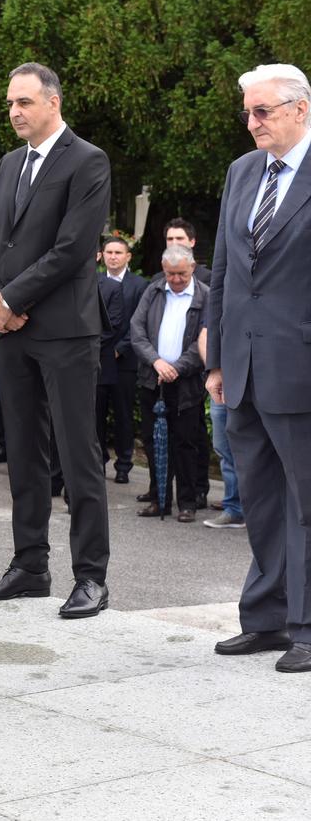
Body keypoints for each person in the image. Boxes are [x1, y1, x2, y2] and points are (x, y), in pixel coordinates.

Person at [0, 62, 113, 618]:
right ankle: (29, 565)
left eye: (24, 102)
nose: (14, 112)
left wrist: (12, 300)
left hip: (64, 333)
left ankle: (92, 577)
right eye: (10, 103)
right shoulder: (9, 164)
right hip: (12, 333)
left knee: (78, 455)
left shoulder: (87, 160)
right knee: (24, 452)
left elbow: (73, 247)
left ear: (52, 102)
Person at [207, 63, 311, 672]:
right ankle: (267, 619)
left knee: (305, 504)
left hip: (298, 366)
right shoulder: (242, 173)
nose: (252, 123)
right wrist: (217, 358)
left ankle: (306, 626)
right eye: (247, 112)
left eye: (263, 111)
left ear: (300, 109)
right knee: (264, 502)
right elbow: (223, 271)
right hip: (242, 369)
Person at [129, 244, 209, 523]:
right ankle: (158, 498)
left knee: (185, 443)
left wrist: (176, 367)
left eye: (181, 275)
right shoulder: (154, 291)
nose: (175, 280)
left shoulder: (205, 295)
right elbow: (137, 331)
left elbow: (205, 339)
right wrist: (156, 362)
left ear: (192, 269)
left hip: (186, 383)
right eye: (170, 274)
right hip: (153, 379)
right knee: (153, 441)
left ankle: (187, 502)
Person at [97, 234, 147, 484]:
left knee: (123, 415)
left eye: (118, 253)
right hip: (97, 361)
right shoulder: (94, 282)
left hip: (124, 361)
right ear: (102, 256)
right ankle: (98, 461)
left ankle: (124, 464)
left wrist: (120, 348)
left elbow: (139, 321)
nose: (113, 257)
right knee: (96, 414)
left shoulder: (139, 285)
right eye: (109, 253)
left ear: (128, 256)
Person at [197, 324, 245, 529]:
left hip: (251, 384)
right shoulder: (223, 296)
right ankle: (234, 509)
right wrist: (215, 369)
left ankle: (259, 511)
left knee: (254, 452)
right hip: (223, 385)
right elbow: (205, 335)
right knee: (224, 449)